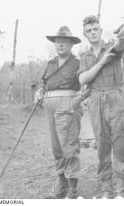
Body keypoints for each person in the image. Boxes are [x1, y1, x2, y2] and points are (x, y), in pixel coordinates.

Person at [78, 15, 124, 199]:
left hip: (116, 98)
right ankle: (107, 190)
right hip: (95, 101)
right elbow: (83, 79)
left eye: (95, 29)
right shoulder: (85, 57)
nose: (93, 33)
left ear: (100, 30)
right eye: (89, 30)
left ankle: (121, 191)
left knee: (121, 144)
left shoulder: (112, 48)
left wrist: (122, 35)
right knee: (102, 146)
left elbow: (121, 45)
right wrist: (101, 62)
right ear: (85, 34)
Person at [35, 26, 88, 199]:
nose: (60, 45)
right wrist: (39, 91)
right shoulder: (50, 64)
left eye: (64, 42)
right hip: (49, 108)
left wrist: (76, 102)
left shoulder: (78, 64)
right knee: (57, 147)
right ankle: (62, 184)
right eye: (57, 42)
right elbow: (44, 83)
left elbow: (88, 87)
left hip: (68, 106)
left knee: (69, 147)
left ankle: (73, 189)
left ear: (71, 45)